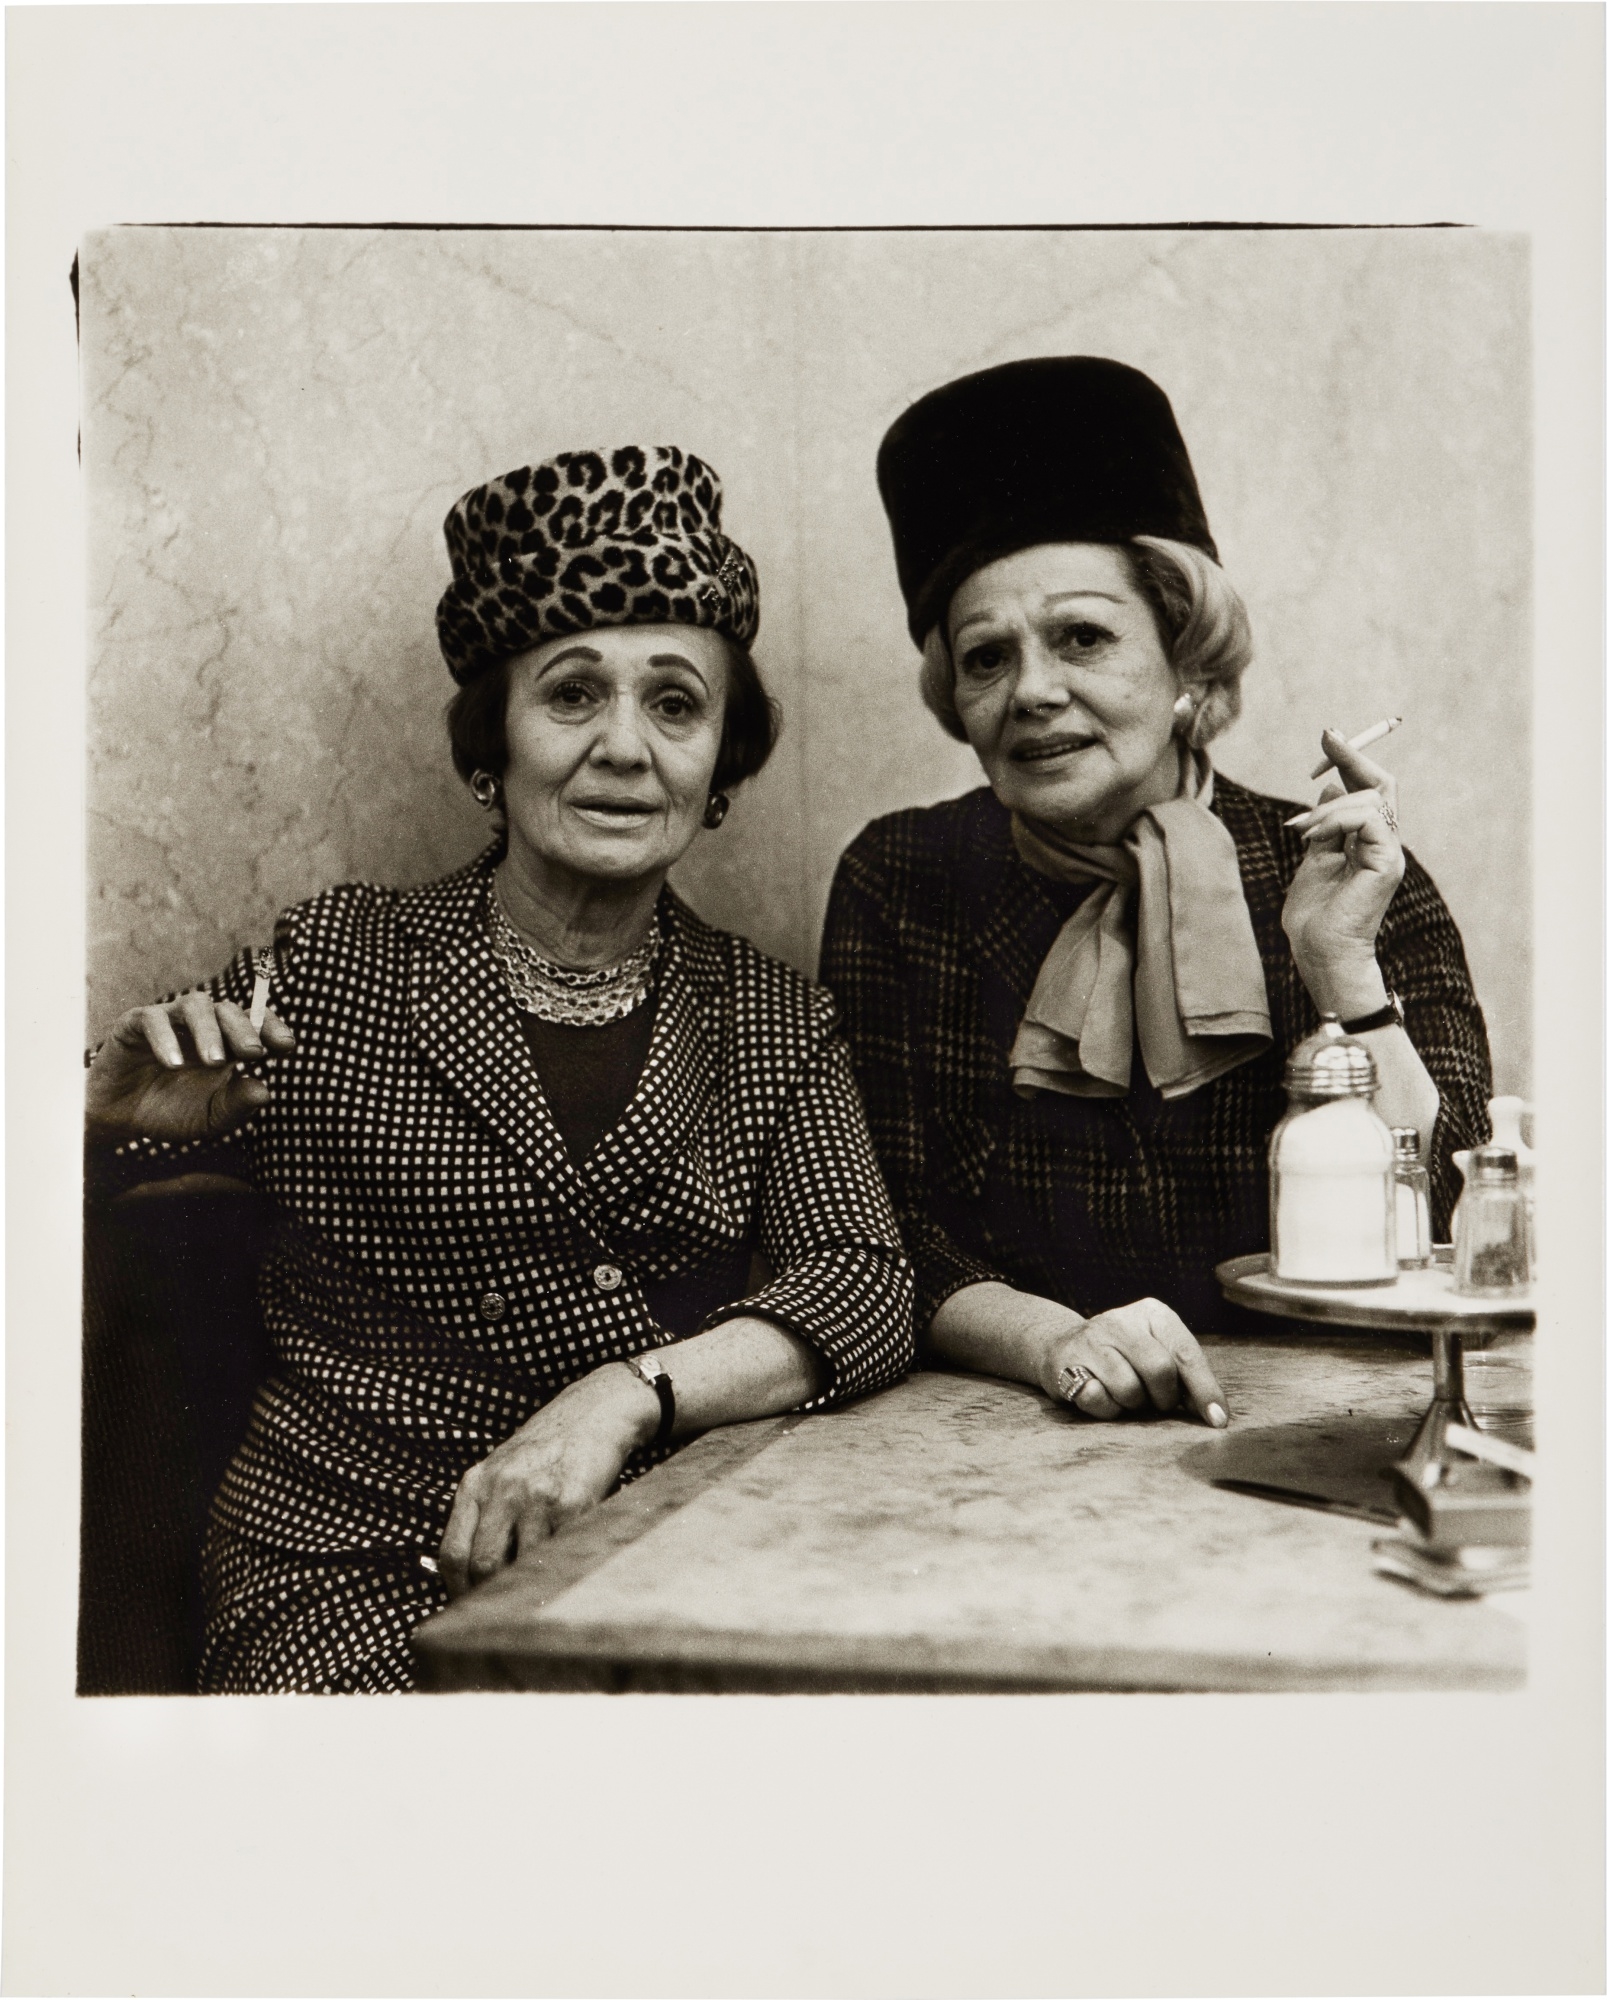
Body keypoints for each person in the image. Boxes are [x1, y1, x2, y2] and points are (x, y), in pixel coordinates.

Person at [86, 444, 915, 1693]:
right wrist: (94, 1121)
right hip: (347, 1573)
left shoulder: (770, 1016)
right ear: (494, 742)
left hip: (641, 1567)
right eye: (572, 694)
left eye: (675, 703)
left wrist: (618, 1400)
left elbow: (860, 1283)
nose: (626, 748)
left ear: (719, 764)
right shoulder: (340, 957)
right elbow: (76, 1194)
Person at [821, 358, 1491, 1428]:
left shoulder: (1341, 871)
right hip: (1003, 1423)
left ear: (1185, 660)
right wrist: (1056, 1341)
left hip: (1321, 1420)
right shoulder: (904, 880)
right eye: (985, 656)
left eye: (1082, 637)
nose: (1032, 691)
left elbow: (1460, 1224)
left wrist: (1337, 967)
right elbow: (882, 1225)